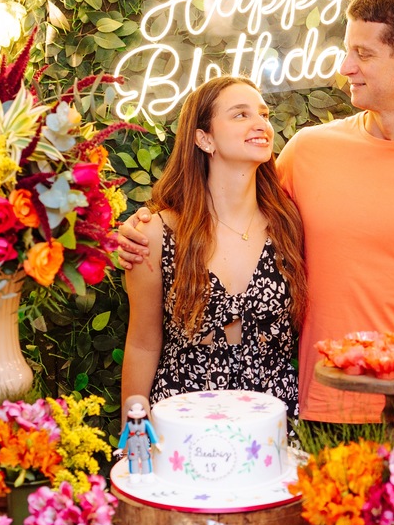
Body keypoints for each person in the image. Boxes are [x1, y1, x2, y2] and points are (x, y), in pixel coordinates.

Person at [120, 0, 394, 478]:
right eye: (346, 51)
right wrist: (143, 226)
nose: (345, 67)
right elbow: (233, 210)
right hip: (322, 414)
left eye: (362, 54)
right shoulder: (308, 152)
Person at [119, 75, 306, 421]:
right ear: (204, 139)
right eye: (240, 115)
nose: (261, 124)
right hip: (184, 423)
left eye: (264, 115)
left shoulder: (289, 225)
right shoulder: (157, 233)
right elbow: (142, 344)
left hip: (274, 423)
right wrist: (132, 440)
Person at [115, 395, 158, 482]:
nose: (136, 412)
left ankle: (147, 473)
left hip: (144, 442)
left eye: (141, 409)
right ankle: (134, 474)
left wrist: (156, 443)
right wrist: (121, 447)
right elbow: (124, 436)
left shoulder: (146, 423)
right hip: (132, 443)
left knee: (145, 457)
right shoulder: (128, 425)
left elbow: (152, 433)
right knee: (133, 458)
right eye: (132, 410)